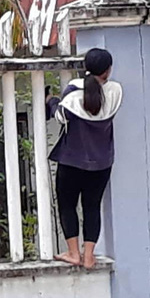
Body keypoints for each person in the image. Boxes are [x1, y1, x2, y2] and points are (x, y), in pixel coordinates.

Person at [46, 48, 122, 269]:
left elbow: (60, 116)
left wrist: (51, 100)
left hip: (72, 161)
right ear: (108, 71)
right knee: (92, 206)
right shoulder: (116, 91)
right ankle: (89, 255)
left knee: (67, 205)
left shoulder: (72, 93)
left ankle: (73, 252)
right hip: (102, 163)